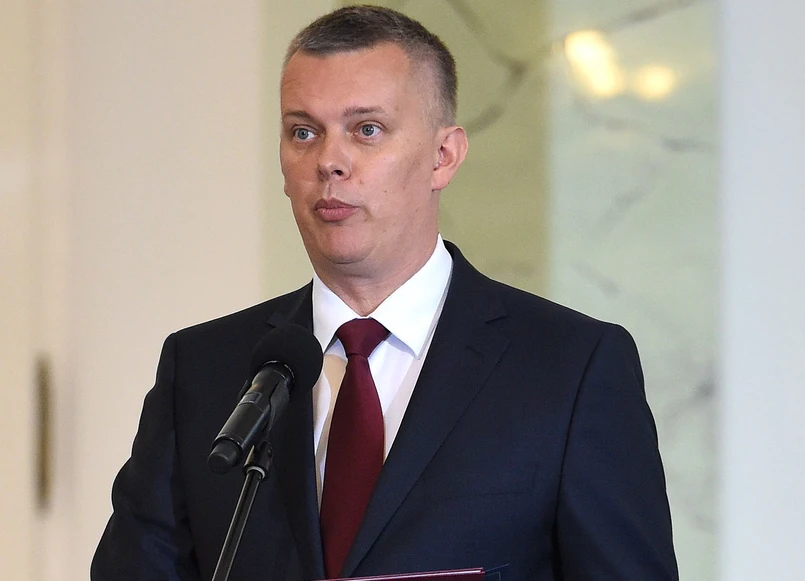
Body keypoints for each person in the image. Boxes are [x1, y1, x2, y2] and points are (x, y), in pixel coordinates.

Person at [91, 5, 678, 580]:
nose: (329, 162)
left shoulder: (571, 369)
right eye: (303, 132)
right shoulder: (203, 369)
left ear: (443, 157)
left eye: (366, 130)